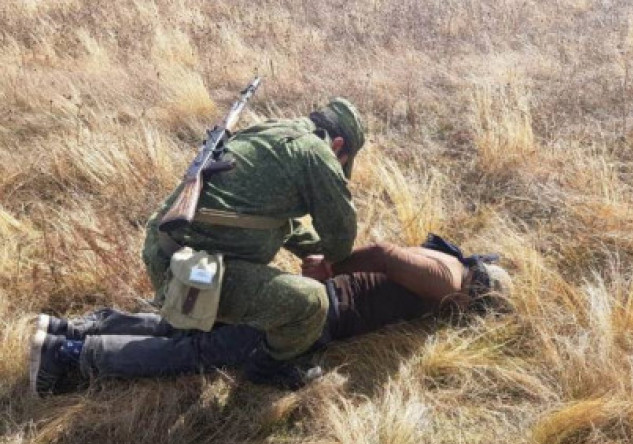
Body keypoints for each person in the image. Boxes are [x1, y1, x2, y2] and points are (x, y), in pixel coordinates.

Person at [29, 236, 513, 396]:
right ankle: (68, 355)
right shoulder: (448, 282)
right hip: (318, 312)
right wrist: (331, 268)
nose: (468, 318)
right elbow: (384, 255)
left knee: (192, 326)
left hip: (309, 298)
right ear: (476, 295)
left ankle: (76, 329)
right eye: (477, 311)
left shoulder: (447, 261)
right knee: (198, 351)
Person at [141, 98, 366, 389]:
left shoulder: (271, 132)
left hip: (166, 248)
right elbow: (341, 235)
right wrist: (330, 259)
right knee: (311, 303)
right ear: (338, 145)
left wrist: (313, 250)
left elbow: (271, 221)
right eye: (343, 162)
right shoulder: (315, 152)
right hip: (191, 271)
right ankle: (267, 370)